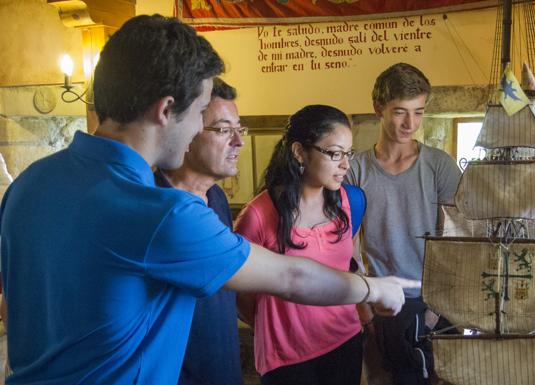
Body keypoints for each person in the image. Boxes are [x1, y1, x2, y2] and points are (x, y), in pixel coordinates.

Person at [0, 15, 416, 385]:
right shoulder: (161, 213)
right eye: (202, 112)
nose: (203, 128)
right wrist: (372, 288)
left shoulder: (30, 184)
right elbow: (292, 278)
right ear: (166, 110)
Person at [346, 63, 462, 385]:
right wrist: (365, 307)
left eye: (419, 112)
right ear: (378, 109)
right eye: (400, 112)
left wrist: (437, 309)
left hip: (436, 299)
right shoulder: (356, 169)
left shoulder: (440, 166)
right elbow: (348, 244)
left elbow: (454, 243)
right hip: (381, 299)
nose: (410, 123)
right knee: (385, 379)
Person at [236, 105, 364, 385]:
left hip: (344, 340)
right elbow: (240, 293)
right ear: (299, 152)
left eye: (348, 153)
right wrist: (274, 325)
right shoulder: (259, 214)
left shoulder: (349, 201)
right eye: (334, 153)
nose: (345, 164)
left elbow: (349, 265)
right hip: (287, 356)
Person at [154, 78, 246, 385]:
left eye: (239, 128)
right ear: (187, 130)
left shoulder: (217, 198)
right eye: (222, 130)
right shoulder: (153, 202)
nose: (239, 141)